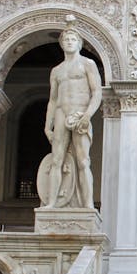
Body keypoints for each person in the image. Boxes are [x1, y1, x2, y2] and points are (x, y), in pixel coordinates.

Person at [41, 27, 102, 209]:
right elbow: (52, 100)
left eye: (73, 39)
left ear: (79, 43)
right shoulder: (56, 70)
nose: (69, 42)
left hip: (79, 113)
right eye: (66, 39)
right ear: (61, 44)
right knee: (56, 160)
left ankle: (88, 204)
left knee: (83, 161)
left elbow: (97, 92)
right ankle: (52, 203)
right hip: (61, 114)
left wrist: (87, 115)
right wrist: (47, 126)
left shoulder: (87, 64)